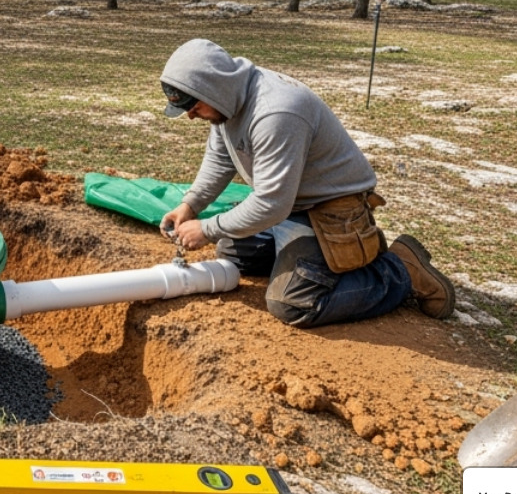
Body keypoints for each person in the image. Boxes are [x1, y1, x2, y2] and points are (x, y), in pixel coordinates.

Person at [158, 38, 454, 327]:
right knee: (234, 252)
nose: (190, 117)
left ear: (214, 88)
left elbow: (271, 204)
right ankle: (310, 259)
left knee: (292, 302)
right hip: (292, 201)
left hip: (328, 208)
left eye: (194, 107)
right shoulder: (227, 103)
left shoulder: (276, 112)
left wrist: (208, 228)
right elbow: (220, 158)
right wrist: (190, 205)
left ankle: (400, 270)